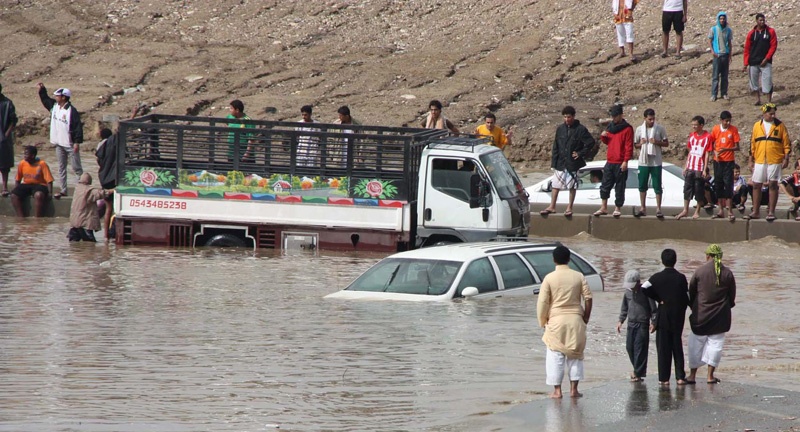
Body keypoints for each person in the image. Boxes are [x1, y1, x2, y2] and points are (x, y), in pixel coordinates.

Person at [537, 245, 593, 399]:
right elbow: (588, 298)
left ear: (554, 260)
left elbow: (543, 302)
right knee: (575, 354)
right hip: (576, 320)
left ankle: (557, 391)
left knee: (555, 355)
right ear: (569, 259)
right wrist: (586, 317)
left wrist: (543, 320)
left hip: (556, 321)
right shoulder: (579, 276)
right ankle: (574, 390)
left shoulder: (549, 278)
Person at [686, 244, 736, 385]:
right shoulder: (727, 273)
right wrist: (726, 306)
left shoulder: (699, 272)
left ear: (708, 255)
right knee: (715, 345)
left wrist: (694, 307)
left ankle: (692, 376)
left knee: (695, 345)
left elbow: (692, 293)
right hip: (720, 318)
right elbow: (731, 297)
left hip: (701, 316)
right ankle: (710, 376)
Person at [642, 248, 691, 386]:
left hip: (663, 314)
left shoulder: (657, 277)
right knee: (677, 344)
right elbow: (686, 297)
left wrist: (658, 298)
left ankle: (664, 379)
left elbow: (644, 288)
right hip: (678, 315)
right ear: (675, 261)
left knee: (663, 347)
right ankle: (680, 377)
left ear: (662, 261)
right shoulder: (681, 278)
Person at [541, 106, 595, 217]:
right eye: (565, 117)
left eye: (569, 117)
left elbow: (590, 142)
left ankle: (569, 207)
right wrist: (553, 163)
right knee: (555, 185)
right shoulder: (560, 129)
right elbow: (555, 146)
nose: (566, 119)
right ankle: (552, 206)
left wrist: (580, 153)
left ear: (573, 116)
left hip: (572, 162)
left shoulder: (580, 129)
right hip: (561, 162)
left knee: (572, 185)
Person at [38, 83, 83, 199]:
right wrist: (42, 90)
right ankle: (63, 190)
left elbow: (77, 127)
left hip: (70, 144)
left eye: (58, 96)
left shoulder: (72, 111)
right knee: (61, 168)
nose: (56, 97)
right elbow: (45, 100)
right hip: (59, 144)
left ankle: (81, 191)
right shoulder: (54, 107)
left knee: (76, 168)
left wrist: (77, 142)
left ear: (63, 97)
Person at [746, 103, 791, 221]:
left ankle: (771, 211)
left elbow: (786, 144)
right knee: (756, 184)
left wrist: (786, 158)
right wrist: (751, 159)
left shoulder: (780, 126)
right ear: (764, 113)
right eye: (770, 113)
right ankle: (755, 211)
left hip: (775, 159)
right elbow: (752, 144)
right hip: (760, 159)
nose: (772, 115)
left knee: (773, 184)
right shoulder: (757, 126)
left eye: (774, 113)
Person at [616, 269, 657, 382]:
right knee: (629, 348)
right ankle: (637, 370)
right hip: (631, 323)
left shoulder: (646, 291)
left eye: (633, 285)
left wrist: (654, 322)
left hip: (642, 324)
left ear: (639, 282)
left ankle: (638, 374)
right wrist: (621, 320)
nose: (631, 287)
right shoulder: (627, 292)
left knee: (640, 349)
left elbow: (654, 309)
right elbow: (625, 307)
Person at [594, 104, 633, 218]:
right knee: (605, 185)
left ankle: (617, 208)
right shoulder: (610, 127)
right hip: (610, 161)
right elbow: (609, 142)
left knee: (620, 186)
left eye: (616, 116)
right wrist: (603, 137)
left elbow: (628, 146)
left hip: (620, 162)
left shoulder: (627, 128)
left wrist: (626, 161)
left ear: (621, 115)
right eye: (613, 116)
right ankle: (604, 207)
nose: (614, 118)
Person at [633, 108, 669, 218]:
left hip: (656, 161)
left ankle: (658, 208)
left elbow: (666, 143)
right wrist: (641, 143)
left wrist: (656, 142)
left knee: (657, 185)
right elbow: (635, 145)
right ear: (645, 119)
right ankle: (642, 207)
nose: (652, 121)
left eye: (653, 119)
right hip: (644, 161)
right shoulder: (639, 129)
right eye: (650, 119)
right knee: (642, 185)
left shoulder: (660, 129)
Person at [676, 116, 713, 220]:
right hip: (691, 165)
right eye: (692, 125)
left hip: (699, 167)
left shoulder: (707, 137)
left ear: (701, 125)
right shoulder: (692, 136)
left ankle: (697, 211)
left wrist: (705, 168)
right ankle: (685, 210)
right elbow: (690, 151)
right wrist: (686, 166)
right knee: (687, 188)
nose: (693, 127)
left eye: (695, 125)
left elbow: (707, 154)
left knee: (698, 189)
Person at [710, 111, 740, 220]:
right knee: (718, 183)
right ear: (721, 120)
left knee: (728, 184)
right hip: (718, 161)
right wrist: (715, 151)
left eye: (729, 121)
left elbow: (737, 147)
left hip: (728, 161)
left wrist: (726, 149)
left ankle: (730, 211)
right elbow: (711, 143)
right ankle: (720, 210)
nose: (728, 123)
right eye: (726, 121)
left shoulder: (733, 130)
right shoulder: (715, 129)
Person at [743, 13, 778, 106]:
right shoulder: (751, 33)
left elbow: (773, 46)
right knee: (753, 83)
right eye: (760, 20)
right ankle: (757, 99)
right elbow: (747, 48)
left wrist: (767, 58)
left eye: (763, 20)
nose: (762, 22)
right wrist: (746, 63)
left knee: (767, 81)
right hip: (753, 62)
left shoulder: (770, 31)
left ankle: (768, 101)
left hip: (765, 62)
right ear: (756, 21)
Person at [10, 145, 54, 218]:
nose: (24, 156)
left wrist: (50, 193)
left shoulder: (42, 164)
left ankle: (38, 218)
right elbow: (18, 179)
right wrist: (16, 190)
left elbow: (49, 180)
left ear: (32, 155)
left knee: (38, 195)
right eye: (24, 154)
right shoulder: (22, 163)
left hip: (40, 185)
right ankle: (21, 218)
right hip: (26, 184)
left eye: (26, 154)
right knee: (13, 195)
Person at [68, 173, 112, 242]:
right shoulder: (89, 191)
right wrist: (113, 190)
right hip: (85, 224)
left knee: (74, 244)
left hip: (74, 224)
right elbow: (102, 193)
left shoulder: (77, 189)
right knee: (91, 244)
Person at [95, 128, 119, 240]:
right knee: (114, 208)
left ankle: (106, 236)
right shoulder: (113, 144)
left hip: (104, 179)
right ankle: (111, 233)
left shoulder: (101, 146)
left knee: (108, 208)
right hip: (113, 179)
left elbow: (98, 160)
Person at [708, 12, 733, 101]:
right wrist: (712, 51)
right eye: (720, 19)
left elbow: (729, 43)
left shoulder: (728, 30)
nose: (722, 20)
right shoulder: (714, 29)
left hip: (725, 55)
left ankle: (724, 93)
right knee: (715, 76)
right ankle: (714, 94)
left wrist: (730, 54)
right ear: (718, 19)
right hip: (717, 55)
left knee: (725, 76)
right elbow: (710, 41)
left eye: (723, 18)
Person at [0, 84, 18, 197]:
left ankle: (5, 187)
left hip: (3, 137)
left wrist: (6, 134)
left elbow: (13, 120)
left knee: (4, 165)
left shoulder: (7, 103)